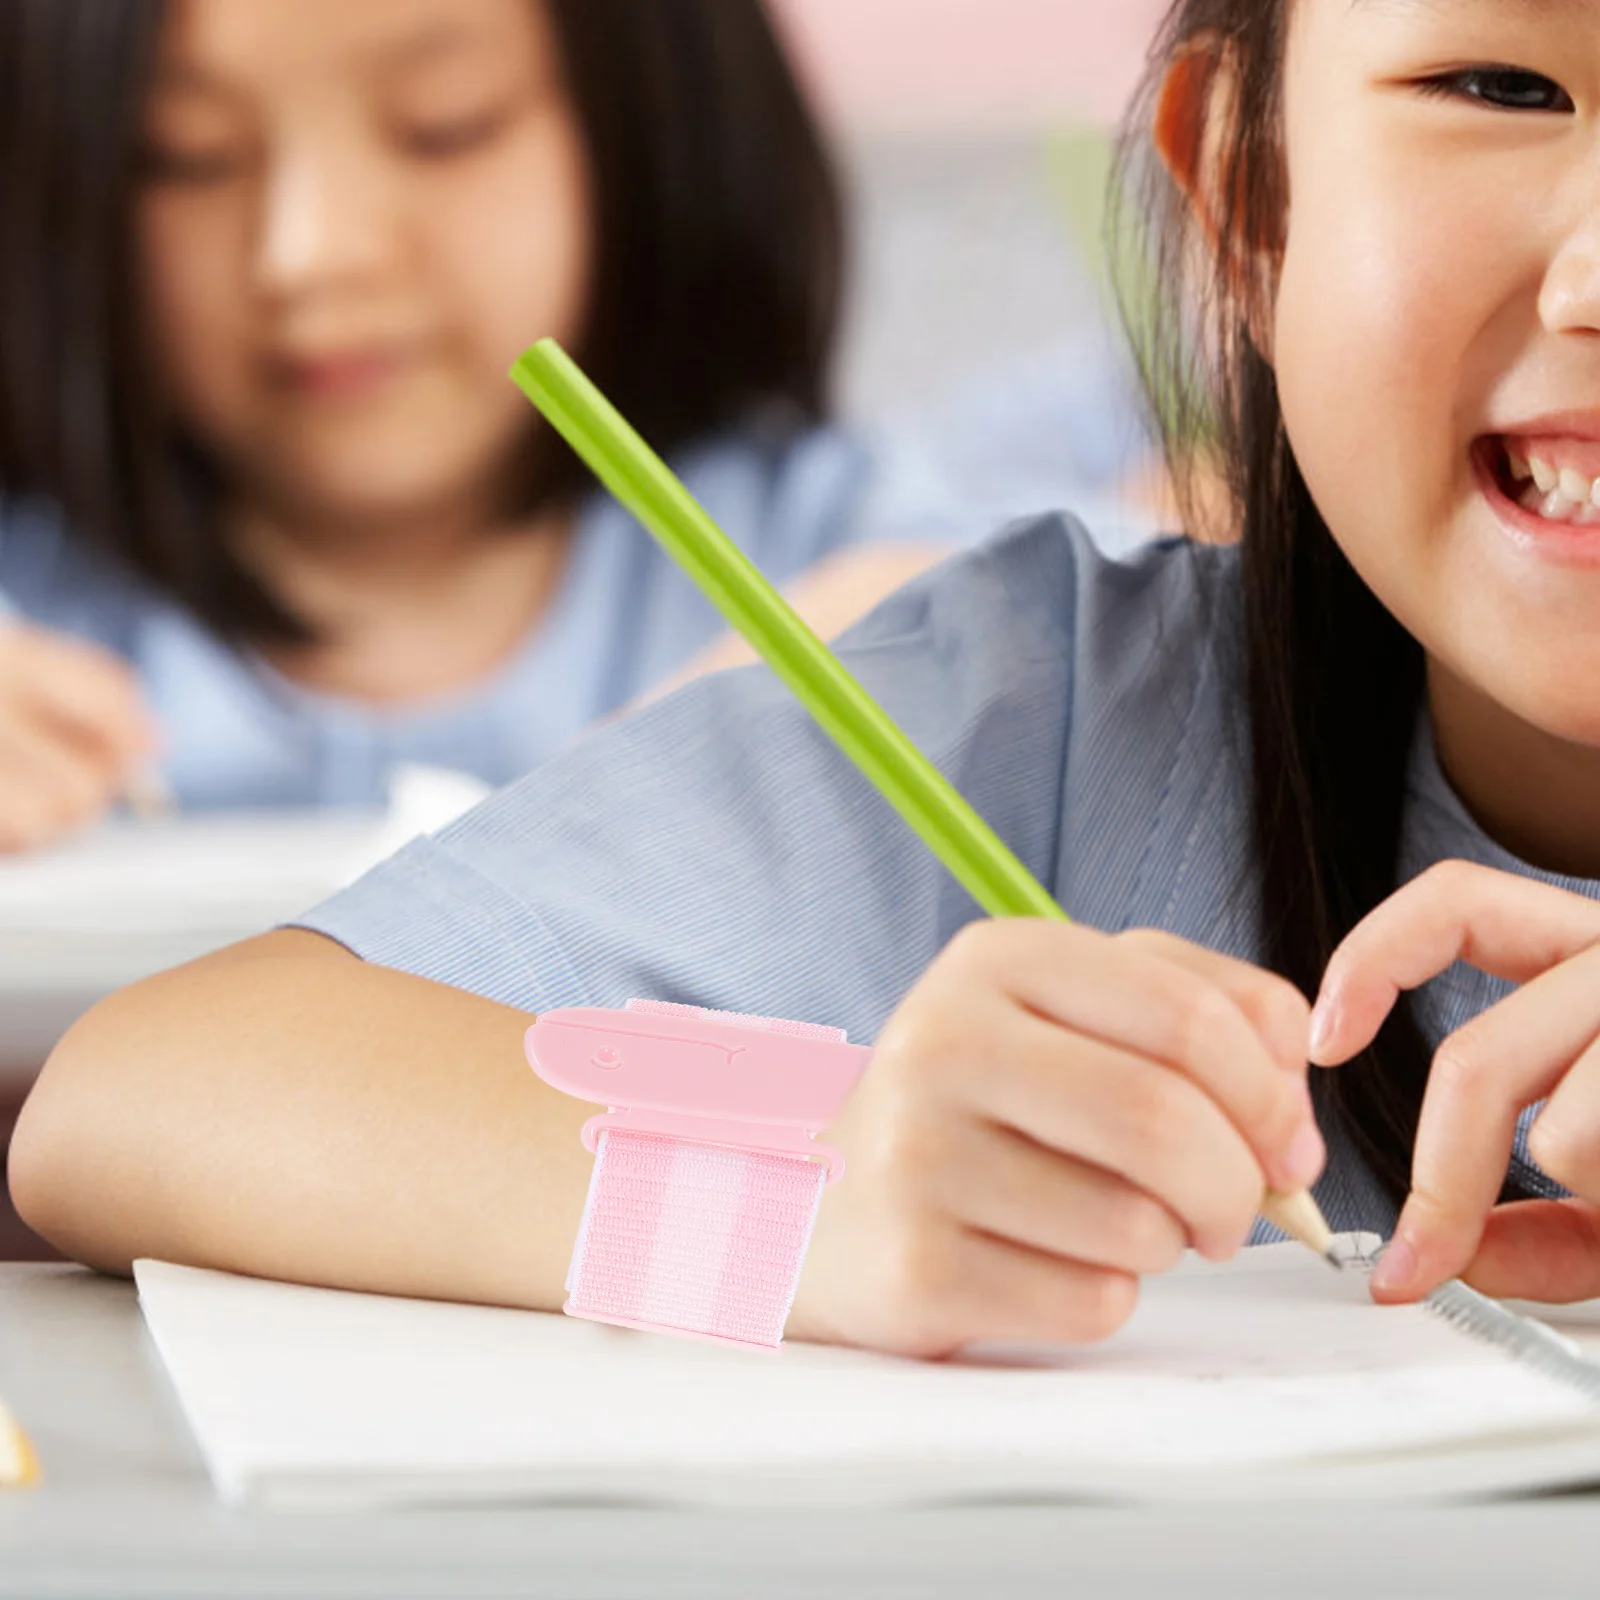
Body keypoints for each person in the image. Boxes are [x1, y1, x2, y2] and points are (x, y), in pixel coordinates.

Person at [21, 0, 1600, 1354]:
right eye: (1504, 88)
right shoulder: (1048, 714)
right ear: (1254, 198)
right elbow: (135, 1101)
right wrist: (802, 1206)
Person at [0, 0, 963, 849]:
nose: (311, 253)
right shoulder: (28, 614)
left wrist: (973, 645)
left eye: (445, 126)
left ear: (659, 117)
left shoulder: (838, 542)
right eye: (186, 155)